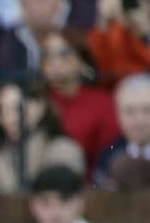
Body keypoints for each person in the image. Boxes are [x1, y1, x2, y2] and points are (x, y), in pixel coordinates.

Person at [0, 76, 85, 192]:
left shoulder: (64, 150)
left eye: (17, 108)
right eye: (0, 110)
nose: (8, 118)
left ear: (40, 106)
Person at [42, 28, 121, 173]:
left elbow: (109, 155)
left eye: (64, 54)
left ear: (82, 60)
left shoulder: (102, 103)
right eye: (47, 55)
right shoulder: (37, 102)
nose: (54, 61)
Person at [94, 73, 150, 186]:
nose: (138, 120)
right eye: (129, 111)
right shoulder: (107, 157)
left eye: (147, 110)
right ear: (117, 115)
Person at [29, 162, 112, 223]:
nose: (55, 211)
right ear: (32, 205)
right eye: (46, 203)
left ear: (81, 201)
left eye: (64, 200)